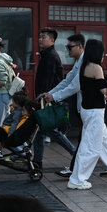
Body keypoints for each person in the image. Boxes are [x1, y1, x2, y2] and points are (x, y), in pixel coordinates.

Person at [69, 38, 107, 189]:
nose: (104, 54)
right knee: (91, 147)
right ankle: (77, 180)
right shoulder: (96, 67)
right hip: (94, 111)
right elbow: (103, 89)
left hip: (88, 109)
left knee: (106, 144)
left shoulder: (84, 66)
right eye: (103, 51)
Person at [39, 33, 86, 178]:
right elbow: (66, 82)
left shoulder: (85, 63)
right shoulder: (78, 62)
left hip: (90, 107)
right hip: (85, 107)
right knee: (98, 143)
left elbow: (74, 86)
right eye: (67, 46)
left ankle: (77, 170)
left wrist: (54, 97)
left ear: (80, 47)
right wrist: (50, 93)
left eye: (70, 47)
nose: (68, 50)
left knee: (92, 142)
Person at [31, 28, 76, 167]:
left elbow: (49, 81)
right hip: (47, 98)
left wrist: (43, 98)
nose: (40, 39)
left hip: (50, 100)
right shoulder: (46, 55)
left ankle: (74, 153)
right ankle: (37, 161)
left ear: (52, 40)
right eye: (39, 37)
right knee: (40, 130)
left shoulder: (51, 56)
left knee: (52, 131)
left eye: (43, 37)